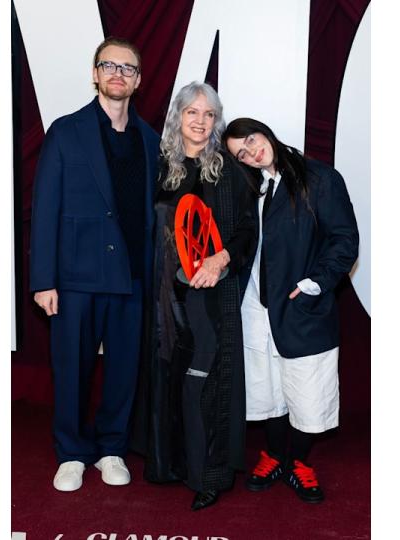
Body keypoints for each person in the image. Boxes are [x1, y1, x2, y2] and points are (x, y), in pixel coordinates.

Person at [29, 37, 160, 492]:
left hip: (132, 277)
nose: (118, 74)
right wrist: (43, 280)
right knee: (72, 369)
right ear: (95, 74)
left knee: (124, 371)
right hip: (75, 277)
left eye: (127, 68)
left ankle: (111, 450)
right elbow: (44, 208)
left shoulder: (149, 139)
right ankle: (71, 453)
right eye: (109, 65)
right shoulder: (66, 132)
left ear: (138, 80)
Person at [130, 82, 256, 510]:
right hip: (165, 296)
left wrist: (219, 260)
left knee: (205, 383)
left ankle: (209, 474)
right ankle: (169, 463)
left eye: (209, 114)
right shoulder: (158, 165)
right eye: (192, 113)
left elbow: (246, 232)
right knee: (168, 376)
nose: (201, 121)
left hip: (209, 295)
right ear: (177, 117)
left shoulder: (228, 170)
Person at [222, 118, 359, 504]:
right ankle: (272, 455)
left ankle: (297, 459)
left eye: (251, 140)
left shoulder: (319, 178)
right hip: (254, 307)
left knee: (308, 390)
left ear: (266, 132)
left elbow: (345, 239)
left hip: (301, 306)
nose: (251, 151)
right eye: (241, 154)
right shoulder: (251, 188)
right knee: (267, 391)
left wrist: (315, 282)